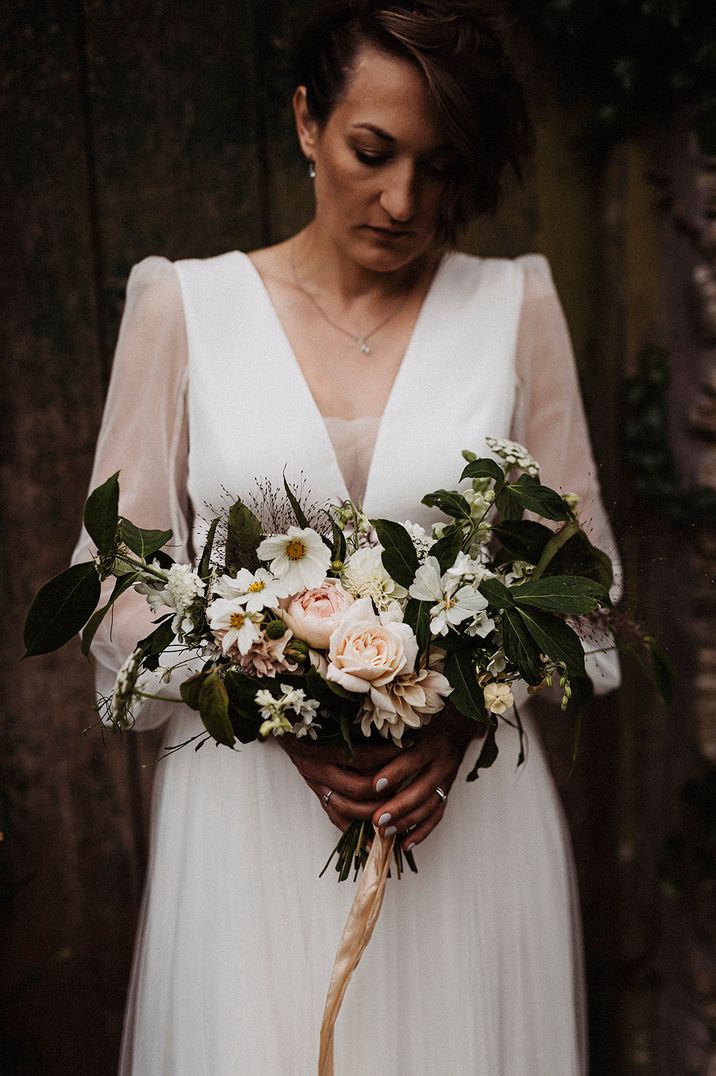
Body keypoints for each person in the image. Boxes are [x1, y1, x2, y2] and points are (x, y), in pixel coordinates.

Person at [73, 1, 621, 1072]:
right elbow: (116, 589)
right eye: (372, 152)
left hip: (456, 818)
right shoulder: (181, 305)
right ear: (305, 122)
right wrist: (271, 695)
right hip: (248, 815)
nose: (403, 198)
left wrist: (456, 722)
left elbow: (584, 591)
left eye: (439, 164)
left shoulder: (514, 305)